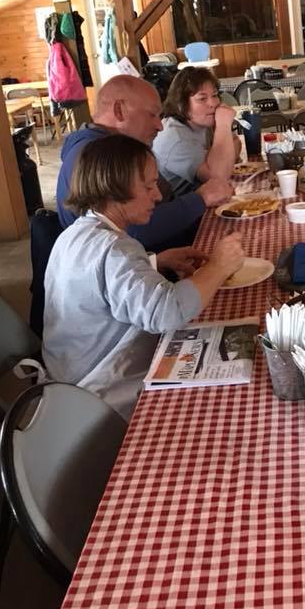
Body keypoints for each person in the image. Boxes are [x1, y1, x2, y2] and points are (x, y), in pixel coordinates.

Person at [44, 134, 245, 418]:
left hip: (67, 374)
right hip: (98, 393)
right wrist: (219, 267)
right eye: (148, 185)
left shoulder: (77, 232)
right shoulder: (115, 249)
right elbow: (167, 313)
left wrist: (154, 262)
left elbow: (99, 282)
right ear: (115, 188)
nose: (158, 195)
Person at [56, 75, 233, 252]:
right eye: (152, 115)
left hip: (161, 254)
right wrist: (200, 199)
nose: (160, 126)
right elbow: (136, 230)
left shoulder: (114, 147)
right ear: (119, 110)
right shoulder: (96, 156)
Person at [152, 67, 240, 194]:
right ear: (181, 104)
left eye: (215, 95)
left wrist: (220, 157)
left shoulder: (199, 121)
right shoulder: (176, 138)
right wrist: (223, 126)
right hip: (181, 209)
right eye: (202, 99)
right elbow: (218, 179)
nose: (213, 103)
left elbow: (235, 144)